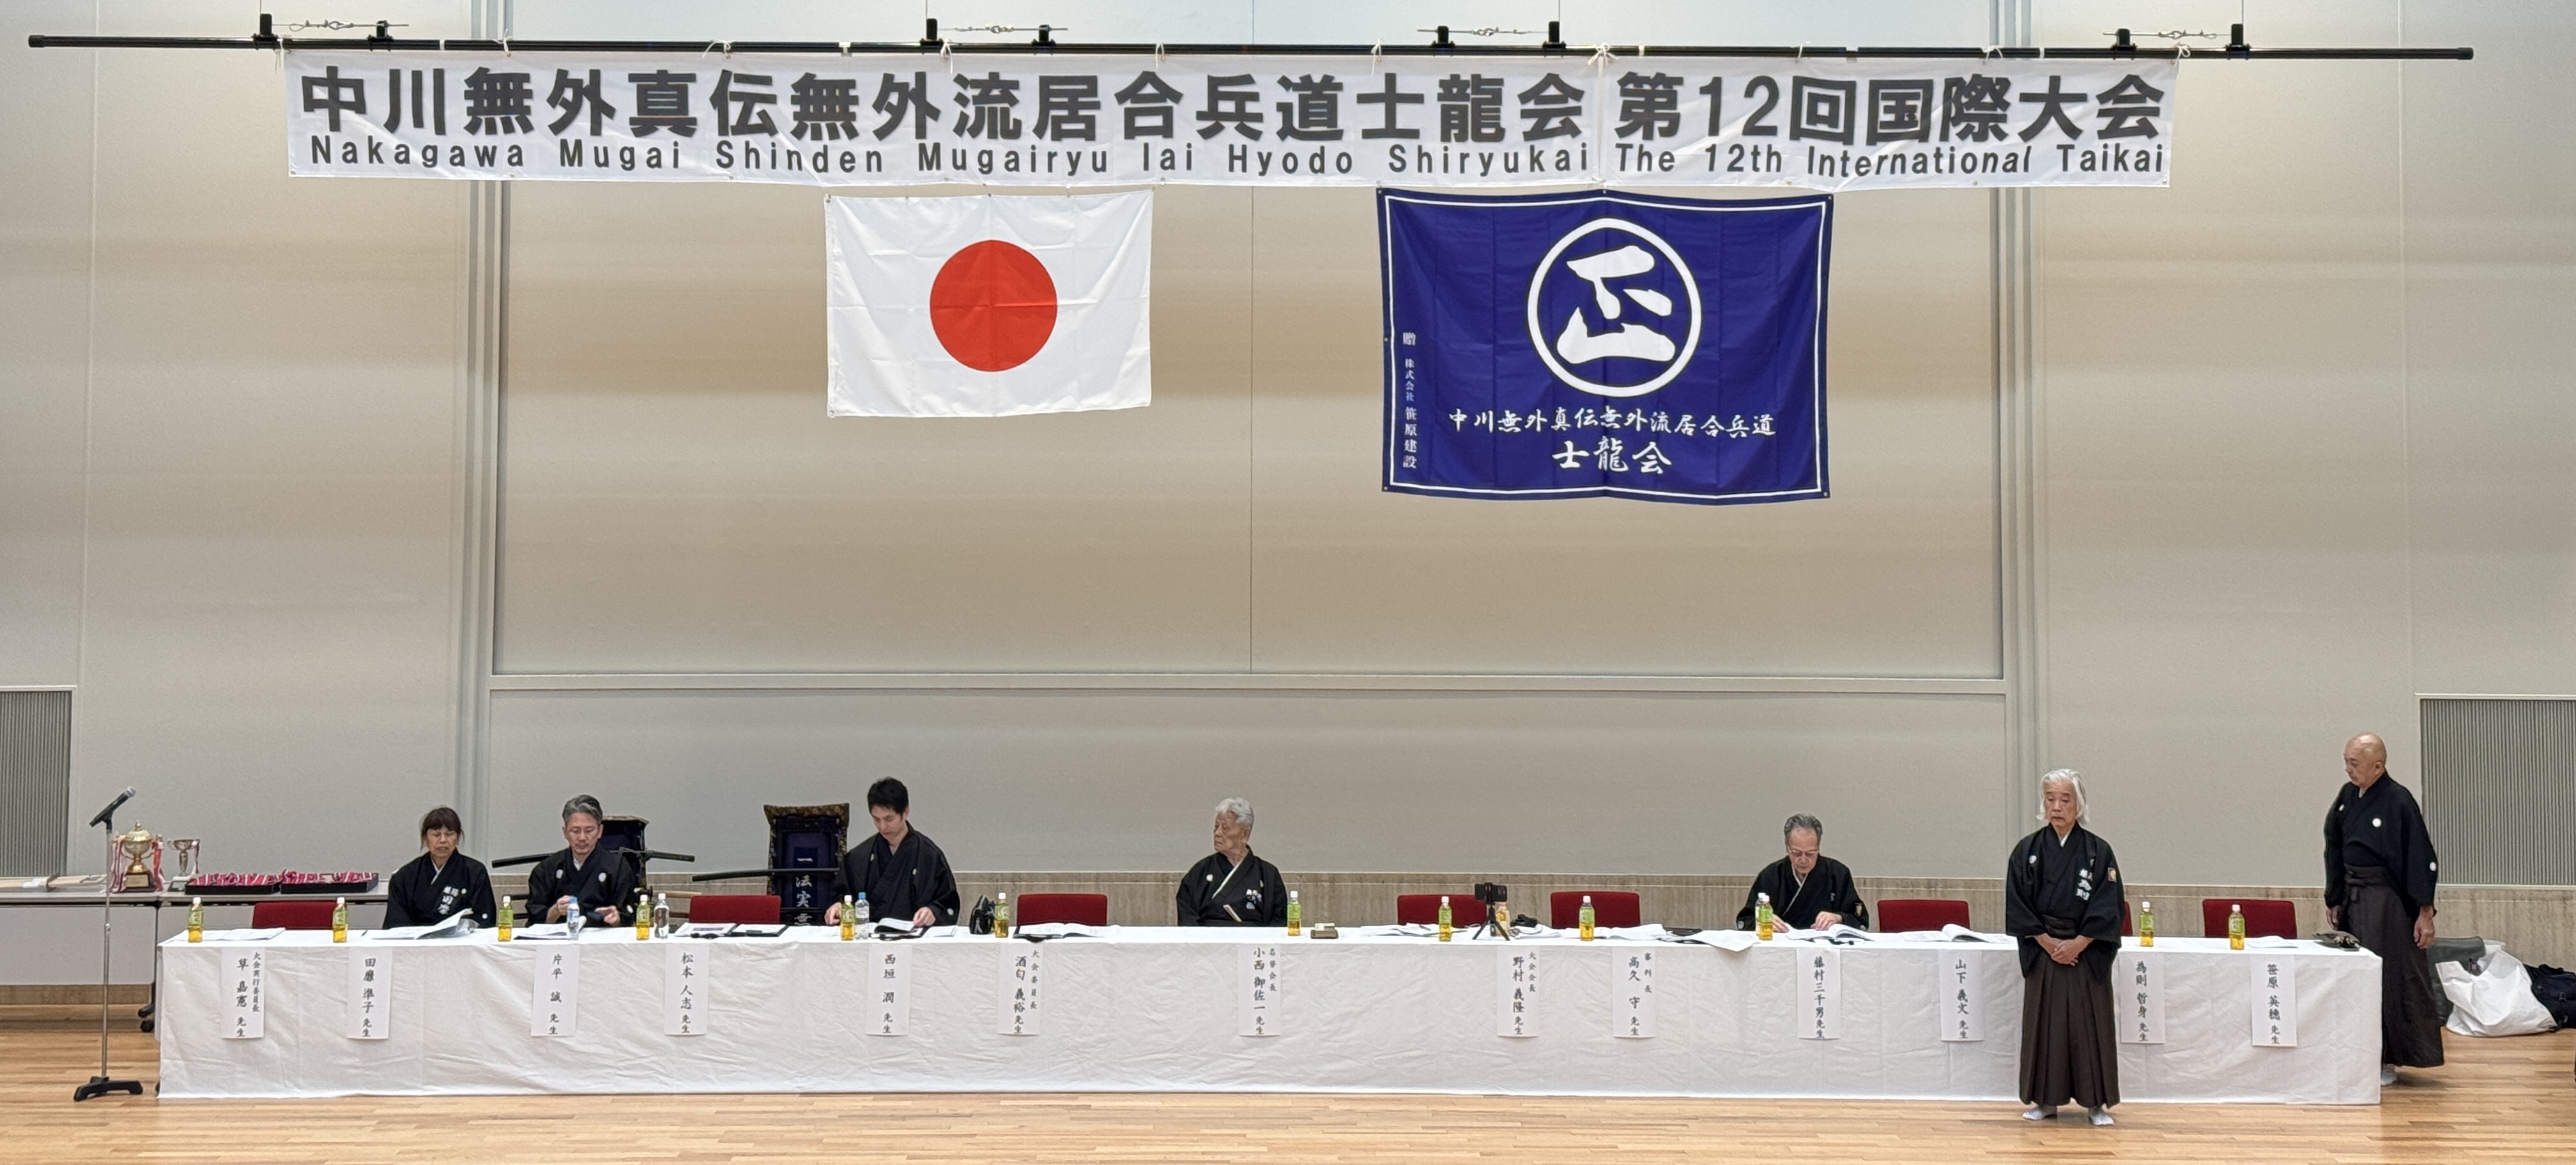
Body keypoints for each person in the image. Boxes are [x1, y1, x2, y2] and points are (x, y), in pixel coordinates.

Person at [2005, 769, 2124, 1127]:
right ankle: (2046, 1101)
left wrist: (2079, 944)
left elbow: (2109, 905)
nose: (2057, 807)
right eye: (2050, 799)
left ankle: (2095, 1104)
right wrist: (2046, 941)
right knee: (2046, 1027)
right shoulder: (2027, 850)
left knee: (2090, 1026)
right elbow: (2018, 903)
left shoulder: (2097, 851)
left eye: (2065, 799)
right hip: (2044, 949)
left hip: (2085, 951)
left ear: (2079, 804)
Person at [2322, 732, 2444, 1084]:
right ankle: (2358, 1053)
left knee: (2389, 976)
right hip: (2354, 898)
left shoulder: (2398, 801)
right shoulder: (2348, 797)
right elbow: (2333, 844)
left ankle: (2388, 1058)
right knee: (2354, 977)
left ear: (2378, 766)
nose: (2348, 769)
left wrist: (2424, 912)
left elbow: (2421, 858)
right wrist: (2334, 897)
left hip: (2387, 902)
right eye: (2346, 761)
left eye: (2355, 763)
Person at [825, 778, 958, 929]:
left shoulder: (929, 856)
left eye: (889, 819)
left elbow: (947, 904)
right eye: (877, 819)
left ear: (906, 812)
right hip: (868, 940)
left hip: (914, 942)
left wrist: (932, 912)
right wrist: (838, 907)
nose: (883, 827)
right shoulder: (859, 857)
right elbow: (842, 896)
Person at [1733, 814, 1869, 930]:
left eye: (1810, 853)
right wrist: (1763, 921)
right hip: (1782, 950)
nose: (1803, 860)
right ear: (1787, 848)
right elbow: (1745, 921)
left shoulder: (1838, 874)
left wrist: (1838, 918)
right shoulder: (1771, 876)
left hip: (1825, 949)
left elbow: (1860, 921)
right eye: (1797, 853)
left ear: (1818, 847)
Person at [525, 794, 639, 927]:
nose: (582, 837)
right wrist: (556, 911)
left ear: (600, 831)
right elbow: (535, 917)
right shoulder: (547, 868)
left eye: (589, 830)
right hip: (559, 942)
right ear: (565, 832)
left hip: (603, 941)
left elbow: (628, 915)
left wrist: (615, 917)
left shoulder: (618, 866)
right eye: (575, 831)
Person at [1176, 797, 1287, 926]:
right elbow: (1187, 918)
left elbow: (1278, 921)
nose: (1217, 833)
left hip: (1253, 944)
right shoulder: (1200, 872)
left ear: (1245, 834)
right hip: (1209, 943)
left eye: (1225, 828)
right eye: (1216, 827)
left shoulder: (1267, 874)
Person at [383, 806, 496, 929]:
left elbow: (484, 919)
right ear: (425, 839)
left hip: (461, 945)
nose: (443, 840)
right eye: (436, 835)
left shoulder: (475, 872)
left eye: (449, 834)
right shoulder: (404, 877)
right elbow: (397, 924)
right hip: (416, 946)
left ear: (457, 838)